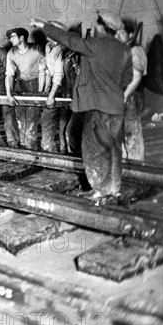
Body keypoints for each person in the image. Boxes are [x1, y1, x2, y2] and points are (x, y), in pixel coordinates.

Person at [30, 13, 133, 198]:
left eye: (97, 25)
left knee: (94, 148)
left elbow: (69, 39)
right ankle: (113, 187)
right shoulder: (124, 50)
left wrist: (44, 25)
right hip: (116, 106)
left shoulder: (95, 45)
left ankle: (100, 190)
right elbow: (128, 79)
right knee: (113, 148)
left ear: (101, 27)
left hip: (97, 106)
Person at [5, 27, 45, 149]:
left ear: (21, 37)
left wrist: (40, 93)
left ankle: (30, 147)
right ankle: (23, 146)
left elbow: (43, 71)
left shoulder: (37, 49)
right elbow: (9, 74)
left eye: (12, 37)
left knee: (32, 119)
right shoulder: (11, 52)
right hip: (20, 85)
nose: (10, 39)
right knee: (20, 118)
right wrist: (8, 94)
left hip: (35, 83)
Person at [117, 26, 147, 161]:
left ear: (130, 34)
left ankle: (136, 164)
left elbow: (138, 77)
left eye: (122, 33)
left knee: (131, 132)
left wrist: (125, 95)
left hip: (132, 96)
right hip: (121, 96)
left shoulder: (135, 50)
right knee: (121, 131)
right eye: (116, 33)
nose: (118, 35)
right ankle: (126, 164)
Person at [40, 22, 66, 152]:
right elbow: (48, 71)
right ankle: (47, 150)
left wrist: (51, 95)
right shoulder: (48, 46)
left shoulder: (61, 48)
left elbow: (59, 74)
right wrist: (45, 89)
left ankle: (64, 151)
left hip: (64, 87)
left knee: (63, 123)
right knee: (48, 119)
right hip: (54, 86)